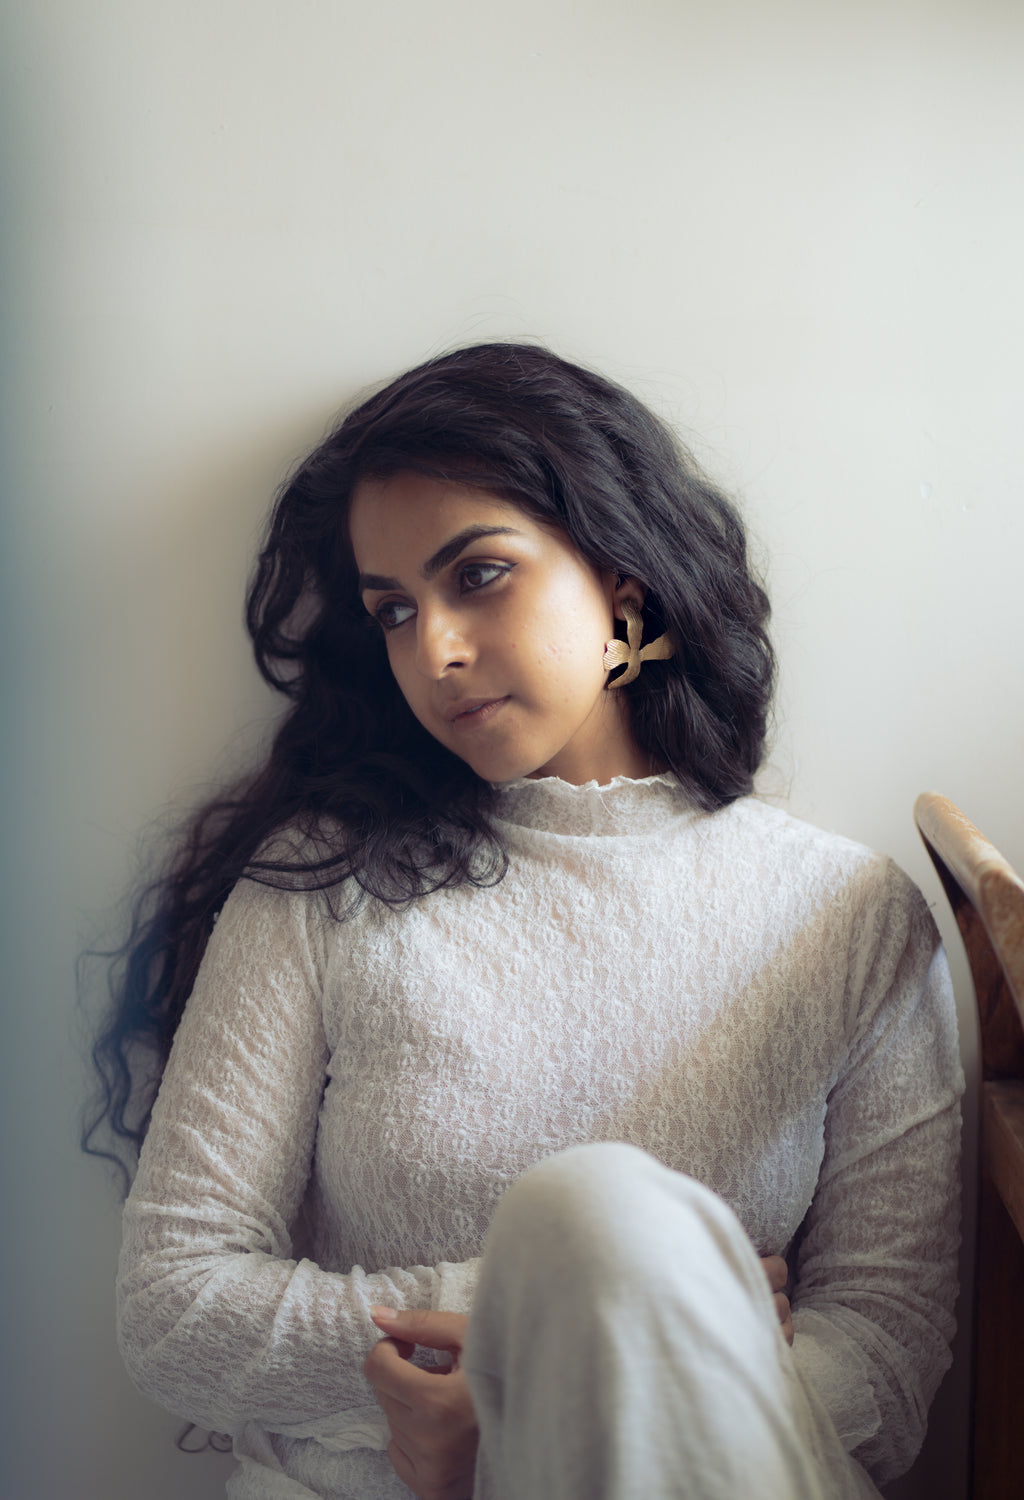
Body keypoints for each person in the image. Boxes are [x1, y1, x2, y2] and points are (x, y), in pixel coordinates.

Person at [89, 342, 963, 1500]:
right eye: (392, 611)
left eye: (480, 576)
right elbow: (176, 1306)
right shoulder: (320, 887)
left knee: (597, 1210)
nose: (434, 651)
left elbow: (890, 1363)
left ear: (623, 584)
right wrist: (531, 1333)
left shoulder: (846, 917)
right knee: (592, 1217)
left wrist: (548, 1427)